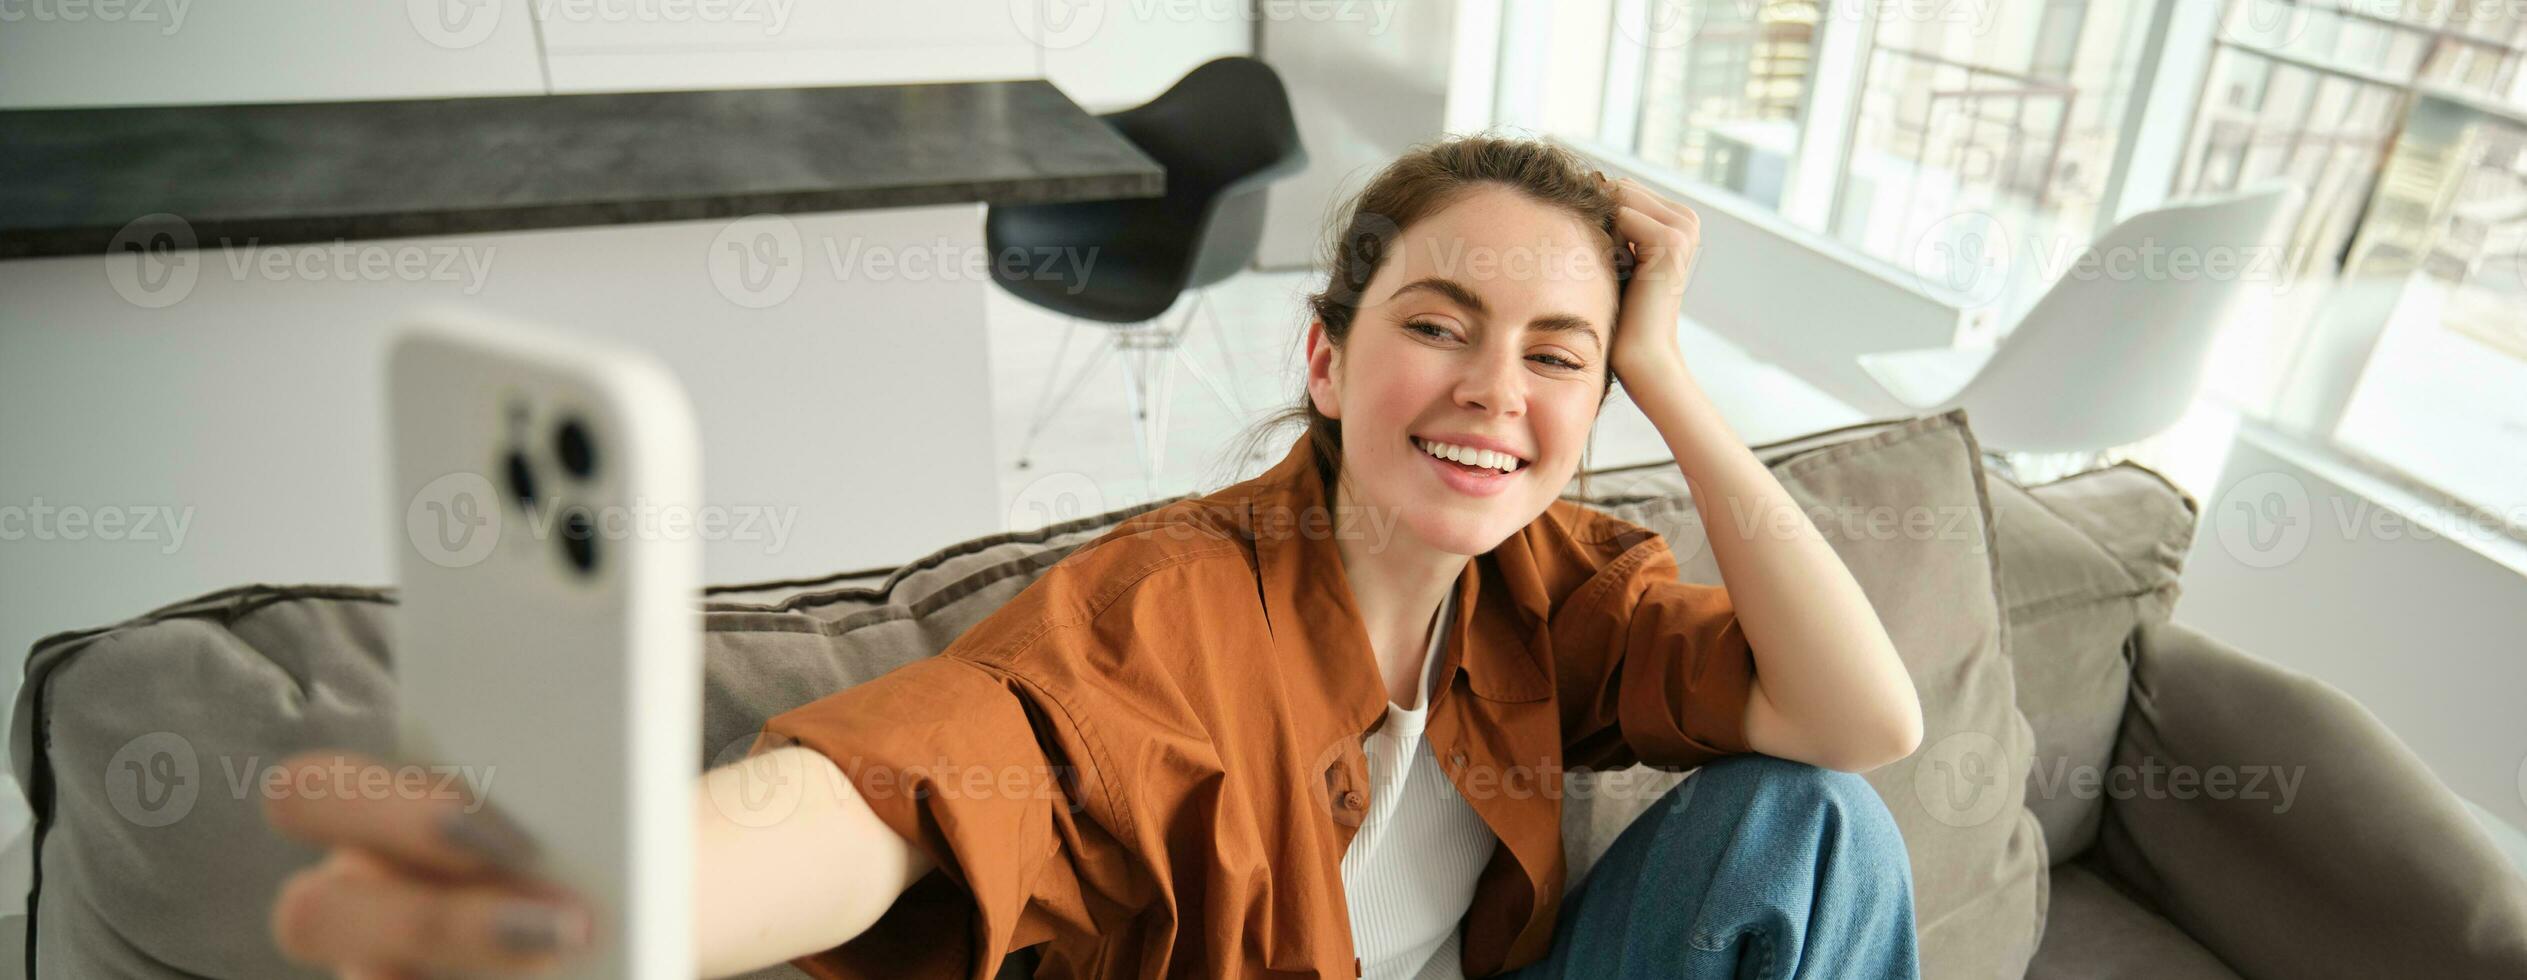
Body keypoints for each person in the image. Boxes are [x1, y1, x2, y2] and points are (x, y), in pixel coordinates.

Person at [260, 134, 1925, 979]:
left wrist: (1668, 378)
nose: (1497, 389)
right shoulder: (1174, 613)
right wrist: (627, 893)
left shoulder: (1561, 577)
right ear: (1330, 362)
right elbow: (940, 769)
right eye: (1441, 326)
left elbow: (1863, 725)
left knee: (1808, 824)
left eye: (1557, 353)